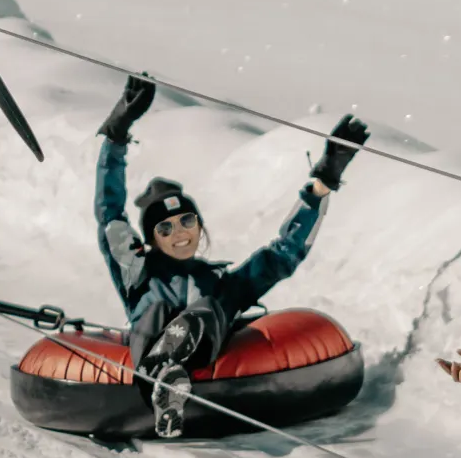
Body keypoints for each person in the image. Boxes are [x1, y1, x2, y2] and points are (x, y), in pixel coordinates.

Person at [92, 75, 368, 438]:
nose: (179, 234)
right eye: (165, 228)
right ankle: (162, 377)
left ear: (199, 226)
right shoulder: (138, 269)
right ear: (152, 238)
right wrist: (117, 135)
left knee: (208, 308)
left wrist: (321, 186)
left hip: (206, 335)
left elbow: (283, 253)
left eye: (187, 221)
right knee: (157, 311)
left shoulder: (220, 283)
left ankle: (176, 364)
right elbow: (110, 214)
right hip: (148, 349)